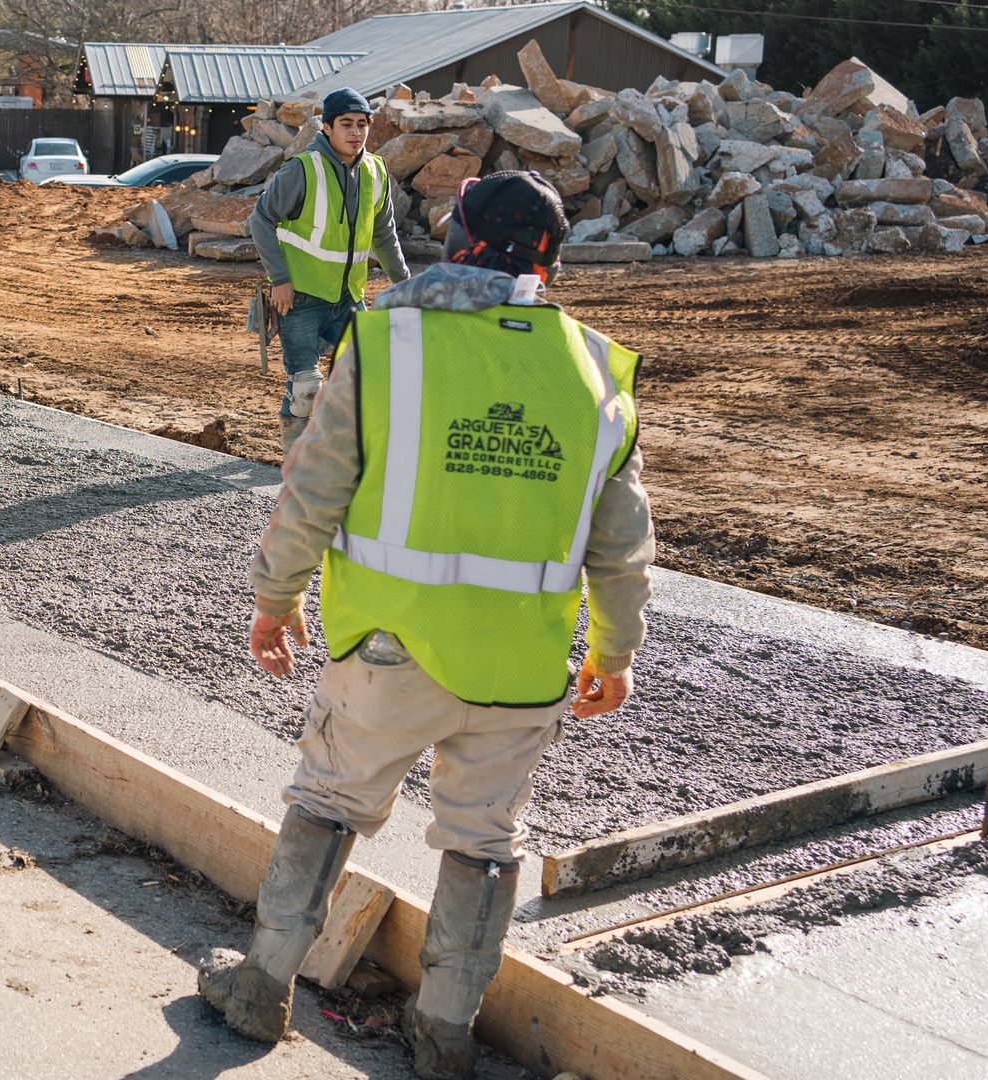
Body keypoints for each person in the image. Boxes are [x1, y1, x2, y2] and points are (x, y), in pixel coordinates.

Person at [200, 172, 655, 1080]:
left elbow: (315, 486)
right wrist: (614, 652)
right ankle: (445, 1031)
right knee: (487, 844)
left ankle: (261, 987)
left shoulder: (389, 342)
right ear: (550, 263)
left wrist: (275, 596)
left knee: (329, 801)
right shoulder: (598, 368)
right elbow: (622, 540)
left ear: (460, 243)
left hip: (387, 651)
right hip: (520, 669)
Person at [248, 88, 411, 455]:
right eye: (346, 124)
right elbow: (260, 220)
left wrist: (406, 285)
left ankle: (338, 455)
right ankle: (294, 461)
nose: (356, 132)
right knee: (305, 388)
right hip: (301, 296)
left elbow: (385, 235)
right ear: (326, 127)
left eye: (362, 124)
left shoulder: (376, 171)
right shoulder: (302, 169)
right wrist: (280, 280)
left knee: (362, 380)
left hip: (349, 298)